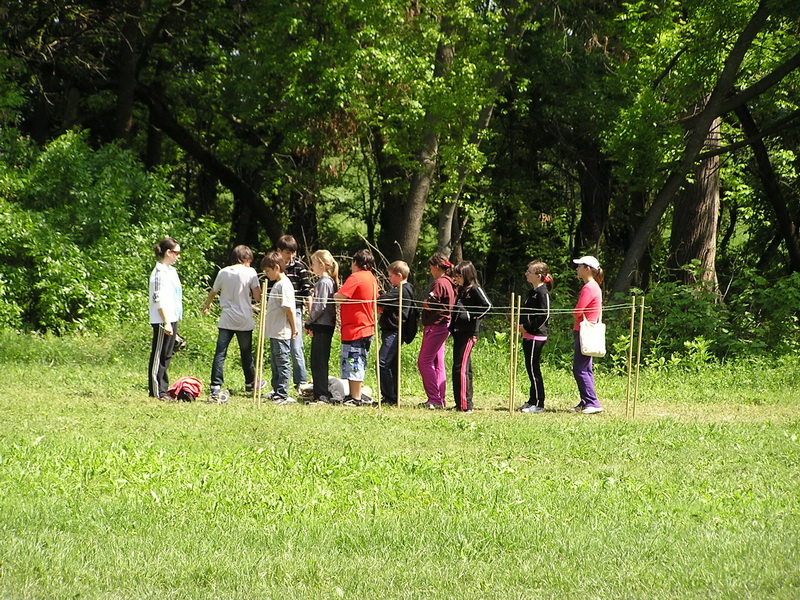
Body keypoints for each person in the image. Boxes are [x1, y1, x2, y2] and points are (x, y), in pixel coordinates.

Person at [202, 245, 262, 403]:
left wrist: (207, 306)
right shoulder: (250, 272)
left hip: (227, 318)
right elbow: (257, 297)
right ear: (246, 259)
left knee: (220, 353)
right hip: (244, 319)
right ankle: (250, 383)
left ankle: (215, 385)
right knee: (246, 352)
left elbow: (213, 292)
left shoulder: (223, 272)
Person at [334, 249, 378, 407]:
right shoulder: (372, 278)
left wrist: (333, 294)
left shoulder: (356, 277)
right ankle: (353, 394)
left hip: (356, 329)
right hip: (367, 327)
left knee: (354, 362)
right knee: (357, 361)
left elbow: (340, 297)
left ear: (355, 263)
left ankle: (356, 397)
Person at [449, 261, 492, 413]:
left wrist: (471, 316)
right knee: (459, 367)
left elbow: (488, 306)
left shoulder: (475, 289)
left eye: (459, 276)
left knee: (461, 368)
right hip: (458, 333)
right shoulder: (461, 290)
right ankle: (460, 402)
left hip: (468, 334)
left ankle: (465, 405)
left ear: (467, 275)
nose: (456, 278)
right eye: (455, 276)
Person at [417, 253, 457, 409]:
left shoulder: (439, 283)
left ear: (436, 267)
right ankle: (440, 397)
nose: (430, 271)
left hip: (436, 326)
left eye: (430, 267)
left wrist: (424, 303)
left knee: (424, 361)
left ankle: (434, 398)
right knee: (438, 362)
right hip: (445, 325)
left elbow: (432, 303)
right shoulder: (451, 282)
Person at [273, 235, 312, 392]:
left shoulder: (299, 267)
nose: (291, 256)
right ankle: (278, 384)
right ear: (279, 251)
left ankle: (301, 382)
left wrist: (310, 316)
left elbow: (307, 292)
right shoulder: (274, 268)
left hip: (295, 309)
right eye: (287, 252)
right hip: (278, 311)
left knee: (296, 347)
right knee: (278, 348)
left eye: (293, 252)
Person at [261, 251, 299, 405]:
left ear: (277, 268)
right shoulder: (277, 284)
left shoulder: (284, 285)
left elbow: (289, 309)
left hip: (282, 331)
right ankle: (276, 389)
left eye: (268, 271)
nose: (266, 274)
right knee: (275, 363)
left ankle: (282, 394)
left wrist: (294, 327)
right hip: (274, 331)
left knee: (282, 362)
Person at [148, 237, 183, 400]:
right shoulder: (159, 273)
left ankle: (163, 388)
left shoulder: (171, 271)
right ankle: (157, 391)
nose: (178, 256)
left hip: (172, 317)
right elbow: (157, 299)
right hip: (163, 319)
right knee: (159, 355)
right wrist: (166, 322)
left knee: (167, 354)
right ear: (168, 252)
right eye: (176, 253)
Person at [377, 260, 414, 406]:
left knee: (382, 362)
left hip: (394, 332)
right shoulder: (400, 289)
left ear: (399, 275)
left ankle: (389, 396)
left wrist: (383, 304)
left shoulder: (402, 290)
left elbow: (382, 299)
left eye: (390, 276)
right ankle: (392, 395)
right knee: (391, 364)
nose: (388, 279)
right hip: (392, 331)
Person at [304, 249, 339, 404]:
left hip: (323, 325)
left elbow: (320, 306)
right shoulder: (325, 281)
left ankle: (322, 395)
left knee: (319, 361)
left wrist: (309, 321)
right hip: (323, 325)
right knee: (316, 361)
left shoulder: (324, 282)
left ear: (322, 265)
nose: (311, 266)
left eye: (313, 263)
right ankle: (319, 392)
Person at [517, 261, 552, 414]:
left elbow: (544, 315)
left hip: (536, 336)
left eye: (529, 272)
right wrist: (519, 324)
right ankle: (532, 400)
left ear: (539, 276)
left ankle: (539, 403)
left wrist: (527, 326)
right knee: (530, 369)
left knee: (533, 369)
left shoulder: (543, 293)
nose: (526, 274)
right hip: (527, 335)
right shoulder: (532, 292)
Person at [572, 255, 604, 414]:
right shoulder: (594, 286)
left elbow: (577, 312)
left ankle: (592, 402)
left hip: (584, 331)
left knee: (579, 369)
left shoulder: (588, 287)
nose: (577, 269)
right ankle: (585, 401)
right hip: (587, 331)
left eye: (579, 266)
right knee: (585, 368)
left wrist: (575, 313)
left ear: (587, 269)